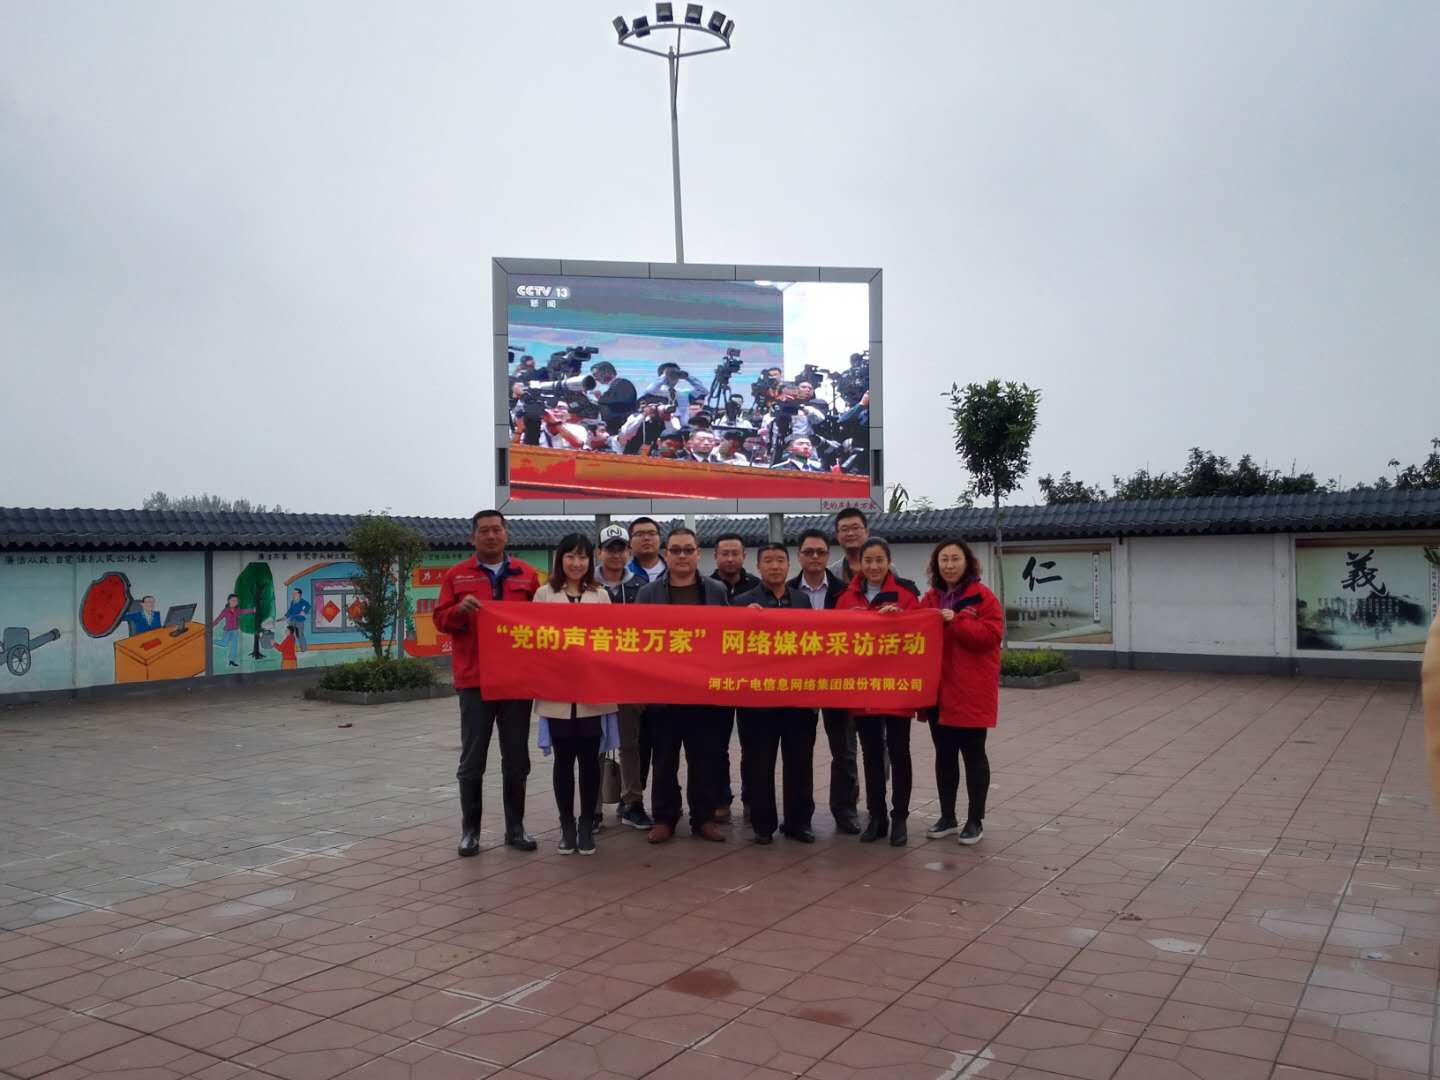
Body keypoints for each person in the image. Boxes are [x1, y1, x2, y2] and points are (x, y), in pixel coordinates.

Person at [433, 510, 541, 857]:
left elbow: (543, 622)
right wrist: (459, 611)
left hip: (515, 681)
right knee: (472, 759)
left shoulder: (527, 575)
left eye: (496, 529)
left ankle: (516, 828)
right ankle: (470, 831)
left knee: (516, 758)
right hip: (474, 679)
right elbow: (440, 620)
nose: (491, 536)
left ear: (506, 534)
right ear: (473, 537)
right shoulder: (457, 575)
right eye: (484, 531)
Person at [636, 527, 729, 843]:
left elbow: (728, 637)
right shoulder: (648, 594)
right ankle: (665, 817)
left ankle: (703, 818)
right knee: (664, 760)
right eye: (675, 550)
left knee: (704, 759)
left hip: (704, 692)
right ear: (666, 554)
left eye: (688, 550)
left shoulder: (715, 591)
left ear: (698, 554)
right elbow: (637, 642)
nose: (682, 556)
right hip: (663, 693)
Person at [533, 534, 619, 856]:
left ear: (590, 561)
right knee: (563, 761)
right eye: (570, 556)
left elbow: (611, 640)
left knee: (590, 761)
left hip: (592, 693)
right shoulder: (544, 594)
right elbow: (534, 640)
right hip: (556, 692)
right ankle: (566, 824)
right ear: (560, 559)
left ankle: (586, 823)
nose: (576, 563)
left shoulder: (600, 595)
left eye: (582, 557)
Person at [836, 537, 920, 846]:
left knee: (899, 752)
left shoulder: (907, 595)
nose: (873, 566)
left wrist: (902, 619)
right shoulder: (847, 598)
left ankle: (900, 817)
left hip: (896, 686)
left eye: (879, 560)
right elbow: (836, 638)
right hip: (863, 687)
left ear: (888, 562)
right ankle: (877, 816)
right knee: (870, 753)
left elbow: (920, 634)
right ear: (859, 563)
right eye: (867, 560)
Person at [733, 544, 818, 844]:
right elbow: (730, 647)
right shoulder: (742, 602)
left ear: (789, 565)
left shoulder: (802, 600)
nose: (775, 566)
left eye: (780, 560)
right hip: (758, 701)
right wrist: (742, 620)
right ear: (758, 567)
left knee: (800, 763)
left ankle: (798, 823)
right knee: (759, 764)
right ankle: (763, 825)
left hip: (797, 699)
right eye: (768, 561)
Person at [920, 539, 1003, 845]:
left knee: (974, 755)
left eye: (955, 558)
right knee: (944, 756)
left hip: (971, 692)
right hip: (939, 694)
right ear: (936, 564)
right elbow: (912, 629)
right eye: (944, 559)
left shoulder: (983, 597)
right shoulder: (930, 598)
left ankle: (975, 820)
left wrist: (957, 621)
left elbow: (990, 637)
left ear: (967, 562)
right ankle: (948, 817)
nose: (950, 565)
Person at [788, 529, 859, 833]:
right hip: (797, 683)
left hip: (837, 681)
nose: (814, 557)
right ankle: (799, 816)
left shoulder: (846, 592)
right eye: (808, 552)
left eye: (820, 552)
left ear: (829, 556)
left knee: (844, 751)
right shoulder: (786, 592)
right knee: (798, 752)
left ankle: (845, 811)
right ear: (799, 556)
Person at [596, 524, 653, 831]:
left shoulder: (642, 587)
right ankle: (592, 808)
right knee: (594, 743)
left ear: (629, 552)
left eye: (621, 549)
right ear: (600, 552)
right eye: (610, 549)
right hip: (595, 677)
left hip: (631, 679)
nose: (616, 555)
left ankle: (632, 802)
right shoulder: (586, 587)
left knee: (630, 744)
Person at [709, 532, 760, 821]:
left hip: (752, 679)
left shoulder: (758, 588)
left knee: (753, 743)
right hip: (715, 678)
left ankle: (752, 798)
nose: (730, 559)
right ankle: (720, 799)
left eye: (735, 553)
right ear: (715, 556)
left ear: (744, 556)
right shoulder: (705, 588)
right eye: (724, 553)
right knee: (717, 745)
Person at [830, 508, 921, 594]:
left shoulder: (888, 569)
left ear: (867, 532)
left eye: (855, 528)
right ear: (837, 536)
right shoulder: (832, 573)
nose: (850, 533)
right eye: (844, 529)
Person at [587, 360, 637, 431]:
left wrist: (601, 399)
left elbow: (624, 400)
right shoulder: (612, 387)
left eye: (596, 374)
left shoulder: (623, 383)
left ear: (607, 372)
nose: (595, 378)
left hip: (623, 428)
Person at [642, 362, 707, 412]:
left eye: (676, 375)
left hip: (684, 424)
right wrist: (664, 376)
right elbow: (650, 390)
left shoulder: (684, 393)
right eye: (671, 374)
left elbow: (703, 391)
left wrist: (688, 377)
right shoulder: (658, 392)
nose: (674, 377)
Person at [211, 594, 255, 667]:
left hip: (235, 631)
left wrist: (252, 610)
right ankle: (211, 641)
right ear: (229, 601)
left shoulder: (237, 610)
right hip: (227, 630)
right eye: (233, 600)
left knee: (234, 646)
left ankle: (231, 661)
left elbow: (244, 611)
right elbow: (219, 618)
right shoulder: (225, 610)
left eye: (236, 601)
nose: (235, 602)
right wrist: (210, 626)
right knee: (224, 643)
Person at [626, 517, 667, 584]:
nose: (646, 538)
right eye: (639, 534)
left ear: (660, 539)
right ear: (630, 542)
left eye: (652, 533)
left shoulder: (674, 571)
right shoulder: (623, 575)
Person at [284, 588, 311, 652]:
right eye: (293, 593)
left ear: (299, 594)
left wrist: (304, 611)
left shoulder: (303, 602)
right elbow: (290, 610)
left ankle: (304, 650)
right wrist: (286, 616)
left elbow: (308, 606)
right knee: (290, 635)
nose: (293, 594)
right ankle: (290, 650)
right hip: (292, 620)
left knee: (299, 635)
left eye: (295, 593)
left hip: (299, 621)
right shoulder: (292, 602)